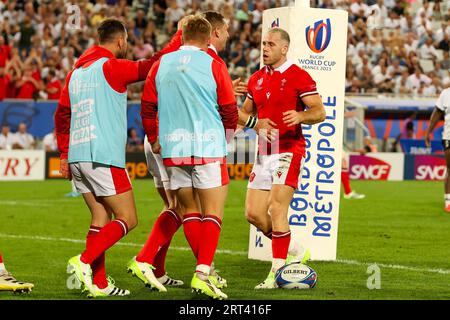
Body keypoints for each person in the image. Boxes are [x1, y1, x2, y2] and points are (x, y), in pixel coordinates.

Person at [54, 18, 179, 298]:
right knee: (128, 218)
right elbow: (153, 65)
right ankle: (83, 261)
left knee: (100, 215)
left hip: (77, 155)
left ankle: (99, 285)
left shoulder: (75, 73)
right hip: (103, 155)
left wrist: (64, 152)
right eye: (126, 43)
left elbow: (61, 114)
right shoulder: (111, 67)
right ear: (120, 41)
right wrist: (179, 35)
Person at [128, 11, 245, 293]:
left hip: (172, 148)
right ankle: (203, 273)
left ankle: (150, 260)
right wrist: (228, 136)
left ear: (182, 34)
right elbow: (230, 109)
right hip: (207, 145)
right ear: (208, 37)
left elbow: (146, 106)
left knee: (185, 209)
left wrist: (155, 138)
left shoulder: (161, 63)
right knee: (213, 212)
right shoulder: (213, 63)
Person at [238, 27, 326, 289]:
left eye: (271, 44)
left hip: (289, 148)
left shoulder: (298, 75)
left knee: (277, 208)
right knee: (253, 214)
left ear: (284, 48)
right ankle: (295, 249)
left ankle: (276, 273)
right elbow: (244, 115)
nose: (265, 48)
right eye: (263, 43)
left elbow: (319, 111)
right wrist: (253, 122)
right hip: (264, 153)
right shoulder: (256, 79)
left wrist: (301, 116)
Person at [425, 87, 450, 212]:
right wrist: (428, 131)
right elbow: (436, 113)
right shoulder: (445, 94)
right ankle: (448, 202)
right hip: (449, 137)